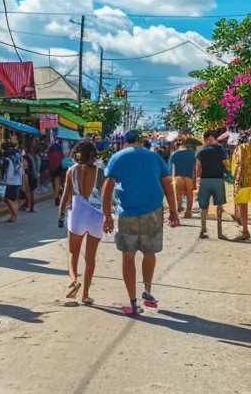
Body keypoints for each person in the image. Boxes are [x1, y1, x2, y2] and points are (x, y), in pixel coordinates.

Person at [101, 130, 177, 316]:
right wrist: (174, 210)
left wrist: (106, 215)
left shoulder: (117, 157)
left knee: (128, 256)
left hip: (126, 212)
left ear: (125, 143)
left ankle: (132, 302)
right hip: (153, 212)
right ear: (142, 142)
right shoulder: (155, 157)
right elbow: (167, 183)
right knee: (149, 253)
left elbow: (108, 185)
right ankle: (148, 293)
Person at [59, 141, 103, 305]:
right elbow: (107, 195)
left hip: (77, 213)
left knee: (72, 253)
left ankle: (74, 280)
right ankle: (85, 295)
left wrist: (61, 213)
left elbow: (66, 195)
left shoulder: (72, 171)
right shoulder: (100, 172)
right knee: (90, 258)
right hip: (96, 215)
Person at [195, 129, 234, 240]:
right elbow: (226, 165)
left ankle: (203, 229)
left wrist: (198, 180)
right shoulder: (221, 150)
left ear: (207, 139)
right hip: (218, 180)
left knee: (203, 207)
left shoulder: (201, 152)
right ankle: (220, 232)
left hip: (205, 180)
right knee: (219, 207)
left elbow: (198, 169)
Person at [229, 129, 251, 241]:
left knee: (242, 205)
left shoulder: (239, 149)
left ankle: (245, 230)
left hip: (244, 181)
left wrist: (235, 180)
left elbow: (236, 167)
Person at [168, 138, 199, 220]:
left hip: (178, 177)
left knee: (177, 195)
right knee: (190, 195)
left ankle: (176, 212)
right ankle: (188, 212)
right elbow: (195, 167)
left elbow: (170, 168)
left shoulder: (174, 154)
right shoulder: (192, 153)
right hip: (189, 177)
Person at [1, 144, 27, 223]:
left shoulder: (7, 160)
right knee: (9, 199)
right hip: (16, 181)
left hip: (10, 181)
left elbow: (3, 171)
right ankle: (13, 215)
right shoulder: (17, 158)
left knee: (8, 198)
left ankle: (14, 215)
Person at [46, 142, 67, 206]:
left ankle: (57, 196)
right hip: (58, 169)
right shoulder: (59, 152)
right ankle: (57, 198)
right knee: (57, 184)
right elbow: (63, 158)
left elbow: (47, 158)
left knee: (54, 185)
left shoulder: (49, 153)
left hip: (51, 169)